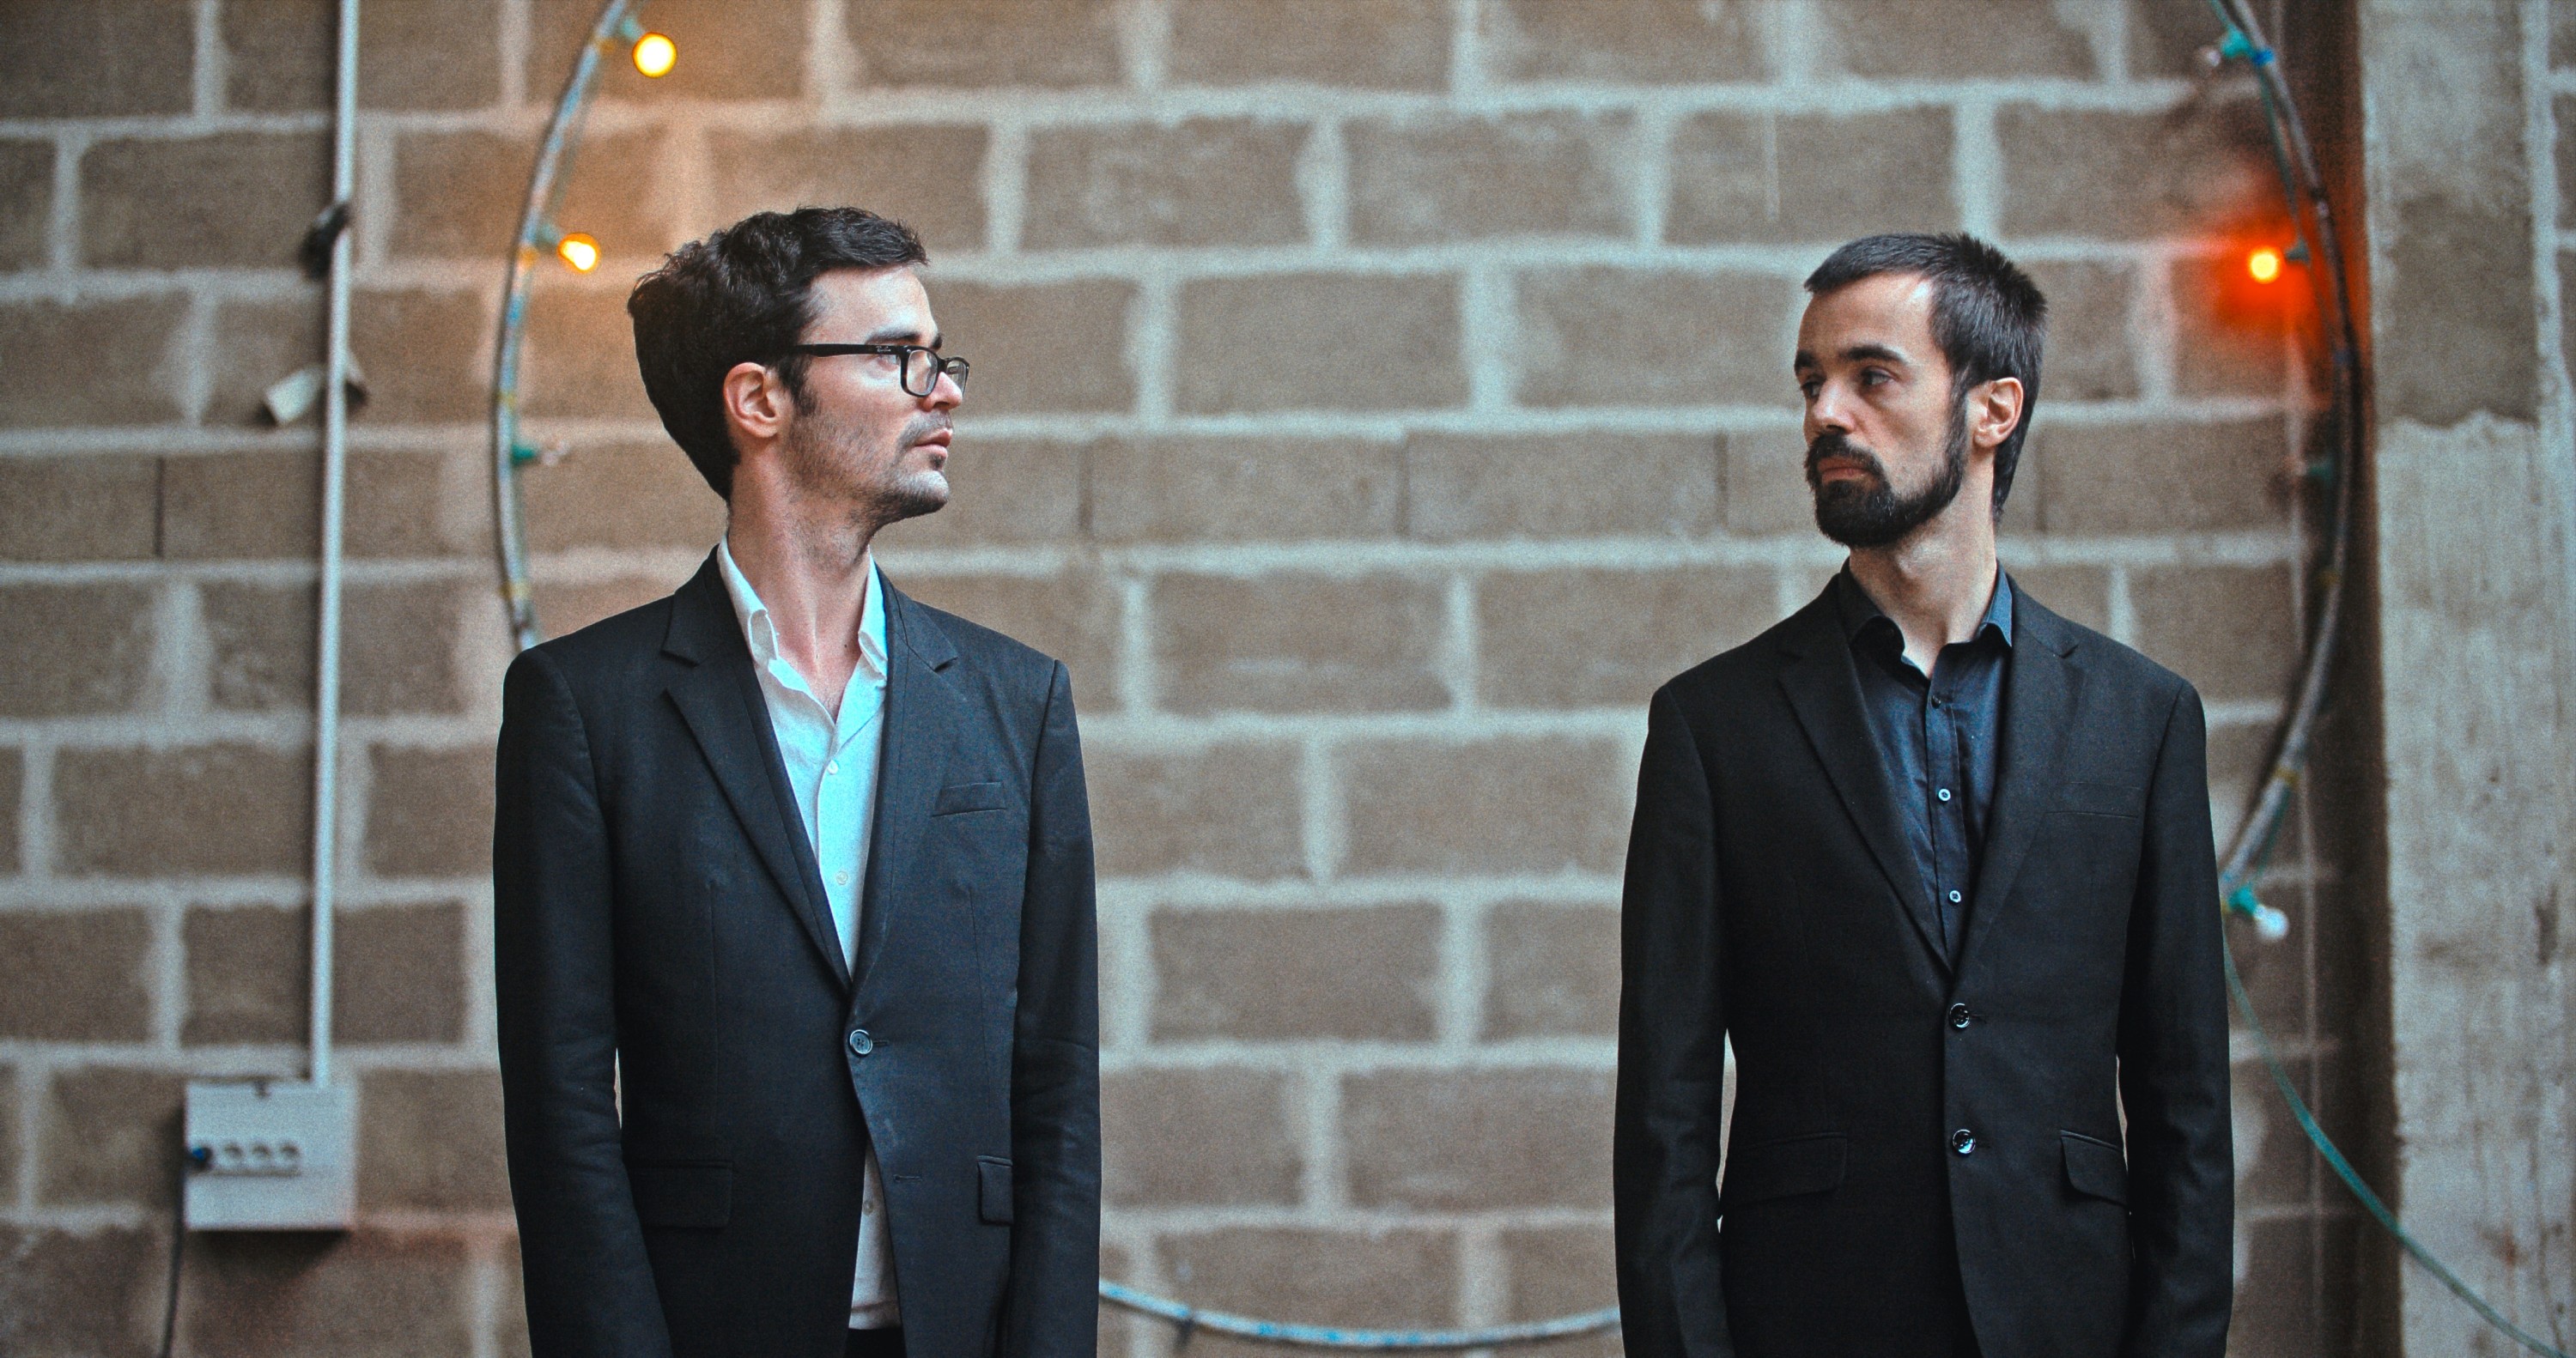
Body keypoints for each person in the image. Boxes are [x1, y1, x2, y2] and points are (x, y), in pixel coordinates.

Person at [1612, 233, 2232, 1358]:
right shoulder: (1714, 726)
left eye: (1872, 376)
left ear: (1993, 408)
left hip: (2066, 1318)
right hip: (1811, 1320)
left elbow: (2186, 1100)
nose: (1825, 413)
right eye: (1811, 382)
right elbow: (1665, 1114)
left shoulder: (2142, 720)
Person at [494, 207, 1100, 1358]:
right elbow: (561, 1106)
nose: (943, 390)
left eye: (939, 357)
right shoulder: (583, 708)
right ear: (760, 400)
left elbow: (1059, 1085)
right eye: (895, 356)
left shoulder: (1017, 702)